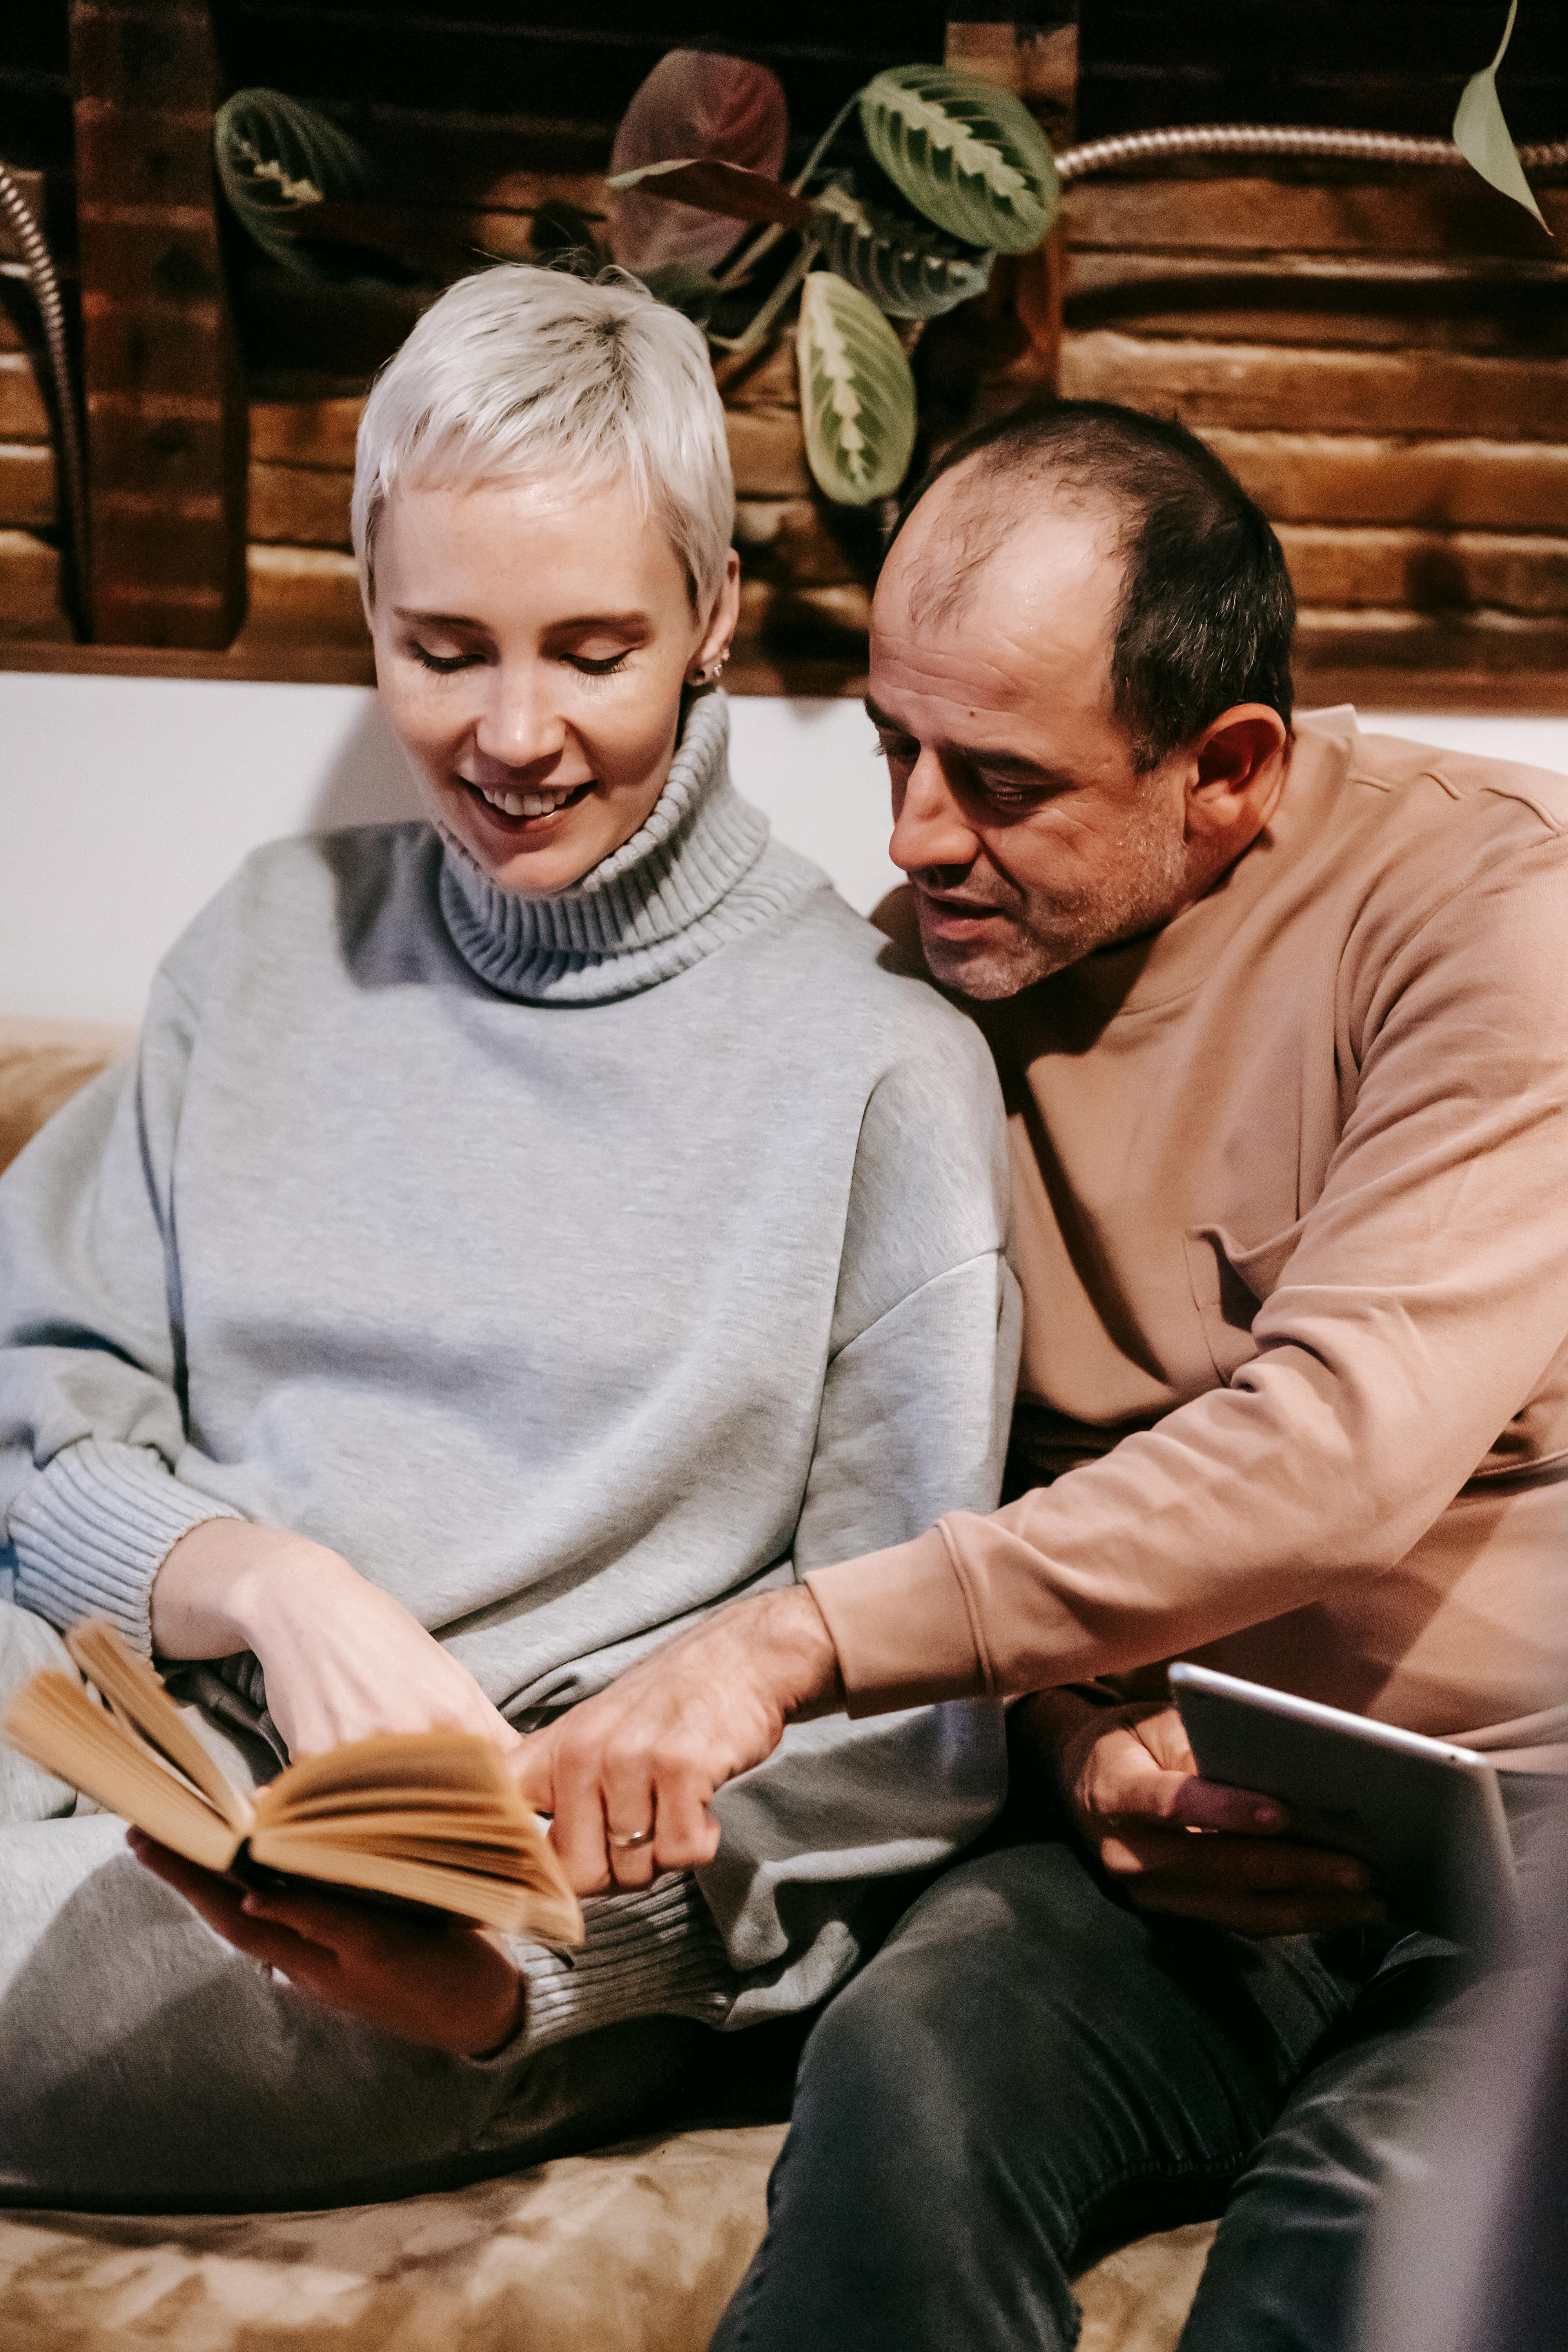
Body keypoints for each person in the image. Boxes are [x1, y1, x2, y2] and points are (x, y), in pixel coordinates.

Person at [515, 402, 1568, 2350]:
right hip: (1183, 1823)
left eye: (996, 778)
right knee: (906, 2080)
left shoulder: (1492, 912)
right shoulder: (910, 988)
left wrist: (789, 1646)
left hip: (1536, 1823)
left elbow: (1340, 1454)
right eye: (895, 749)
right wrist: (1074, 1743)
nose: (916, 839)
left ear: (1228, 768)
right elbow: (870, 1463)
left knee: (1366, 2237)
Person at [0, 265, 1019, 2208]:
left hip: (456, 1912)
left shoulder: (883, 1074)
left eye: (593, 649)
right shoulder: (266, 938)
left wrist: (534, 1973)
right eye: (443, 647)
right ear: (368, 599)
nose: (512, 735)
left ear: (713, 616)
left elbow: (906, 1741)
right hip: (124, 1710)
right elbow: (34, 1420)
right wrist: (277, 1588)